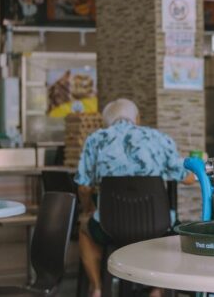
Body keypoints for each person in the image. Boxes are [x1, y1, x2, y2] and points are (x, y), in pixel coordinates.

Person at [75, 98, 194, 297]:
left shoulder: (96, 139)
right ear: (137, 118)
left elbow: (84, 187)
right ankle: (157, 289)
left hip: (109, 227)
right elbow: (187, 178)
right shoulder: (158, 138)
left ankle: (96, 288)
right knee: (174, 235)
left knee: (85, 230)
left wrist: (88, 209)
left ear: (107, 122)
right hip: (158, 226)